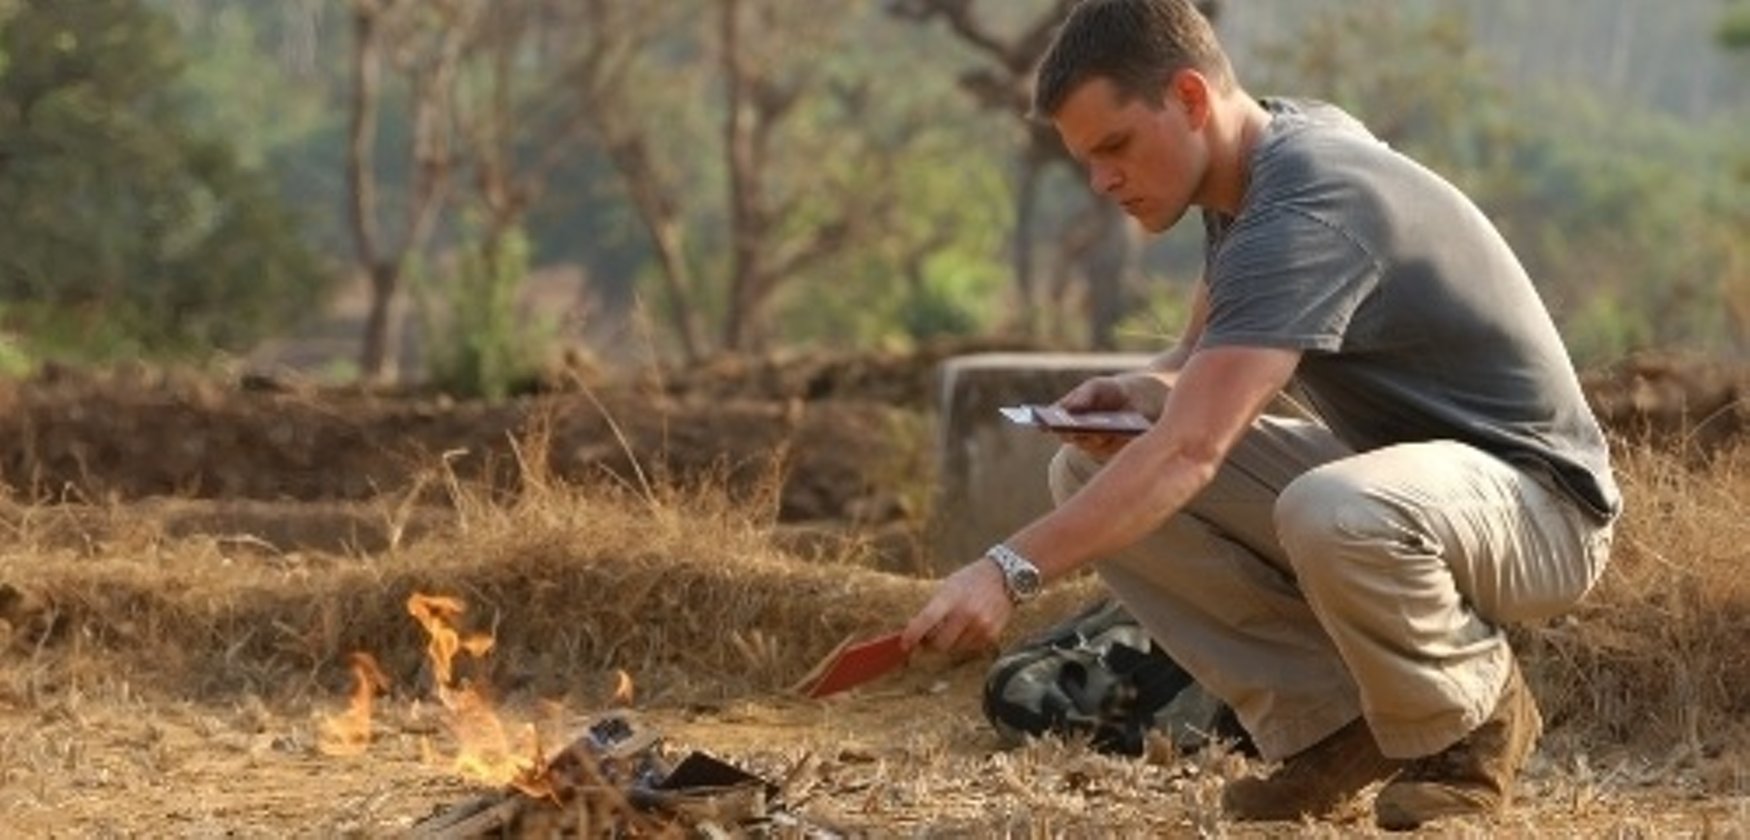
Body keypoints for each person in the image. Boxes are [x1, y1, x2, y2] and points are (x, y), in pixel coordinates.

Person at [900, 0, 1621, 830]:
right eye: (1085, 159)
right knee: (1087, 466)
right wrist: (1150, 387)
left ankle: (1471, 721)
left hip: (1541, 508)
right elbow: (1195, 365)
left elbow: (1190, 453)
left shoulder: (1304, 208)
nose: (1101, 181)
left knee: (1332, 511)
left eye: (1115, 146)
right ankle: (1336, 724)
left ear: (1191, 98)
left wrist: (1004, 570)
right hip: (1418, 485)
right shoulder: (1260, 160)